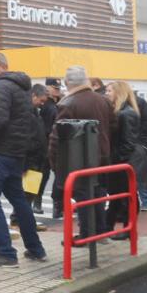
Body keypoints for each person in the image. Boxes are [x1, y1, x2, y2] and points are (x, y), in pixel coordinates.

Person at [0, 52, 47, 267]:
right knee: (19, 201)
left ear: (3, 67)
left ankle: (5, 252)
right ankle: (35, 248)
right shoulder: (21, 87)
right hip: (16, 154)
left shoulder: (1, 87)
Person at [51, 65, 114, 239]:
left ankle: (87, 234)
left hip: (78, 159)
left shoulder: (67, 103)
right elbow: (113, 126)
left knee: (83, 196)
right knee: (98, 194)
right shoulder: (103, 101)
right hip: (102, 155)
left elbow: (57, 137)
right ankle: (100, 231)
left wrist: (53, 161)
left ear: (67, 82)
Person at [105, 81, 147, 237]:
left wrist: (117, 160)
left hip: (126, 161)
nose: (107, 93)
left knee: (127, 195)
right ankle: (111, 227)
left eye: (109, 90)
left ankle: (128, 229)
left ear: (119, 92)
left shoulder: (126, 113)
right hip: (123, 160)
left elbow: (128, 143)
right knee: (118, 196)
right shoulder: (121, 111)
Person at [30, 84, 57, 216]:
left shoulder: (35, 109)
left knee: (34, 186)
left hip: (39, 155)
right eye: (40, 100)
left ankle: (25, 216)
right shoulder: (27, 110)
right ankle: (18, 218)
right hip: (31, 158)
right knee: (27, 190)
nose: (41, 103)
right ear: (33, 95)